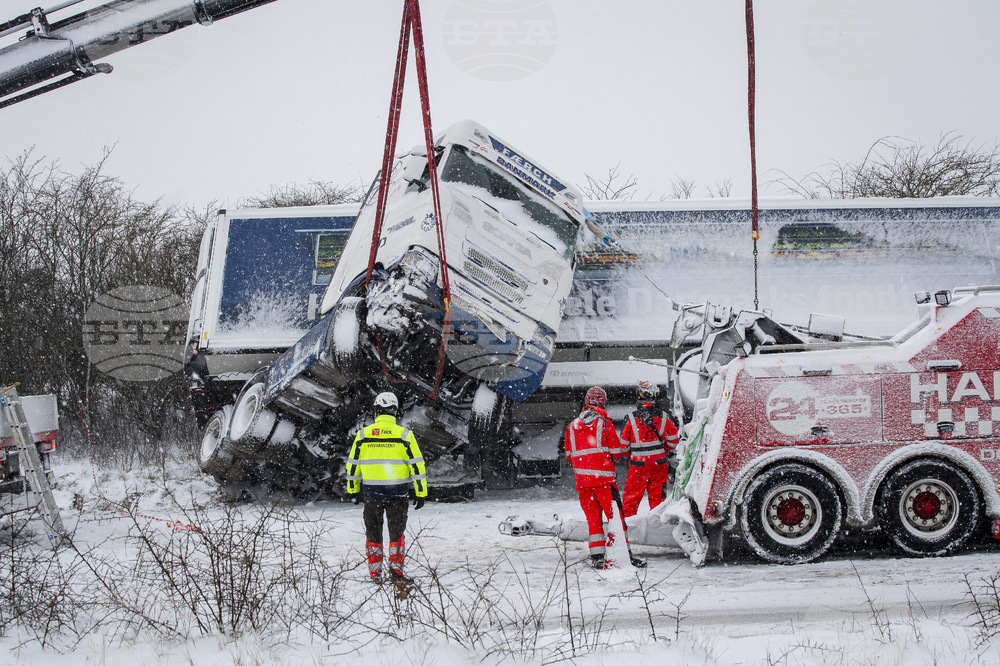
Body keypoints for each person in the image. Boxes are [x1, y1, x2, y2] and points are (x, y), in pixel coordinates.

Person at [346, 391, 427, 584]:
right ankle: (396, 573)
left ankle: (375, 574)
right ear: (394, 412)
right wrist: (421, 492)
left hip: (371, 493)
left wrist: (353, 489)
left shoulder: (363, 435)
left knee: (373, 533)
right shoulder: (405, 435)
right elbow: (417, 466)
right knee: (396, 534)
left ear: (376, 411)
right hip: (397, 493)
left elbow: (353, 466)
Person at [564, 385, 645, 569]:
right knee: (616, 520)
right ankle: (624, 555)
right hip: (605, 483)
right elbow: (616, 453)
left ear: (586, 402)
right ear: (603, 403)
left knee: (593, 521)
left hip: (583, 485)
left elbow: (569, 455)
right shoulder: (604, 424)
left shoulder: (571, 427)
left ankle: (598, 557)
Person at [620, 380, 679, 518]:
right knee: (659, 500)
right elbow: (673, 441)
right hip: (660, 463)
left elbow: (624, 446)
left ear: (639, 394)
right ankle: (657, 524)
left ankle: (628, 525)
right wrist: (661, 451)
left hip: (638, 464)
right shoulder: (665, 417)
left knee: (631, 499)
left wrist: (633, 456)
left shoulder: (630, 418)